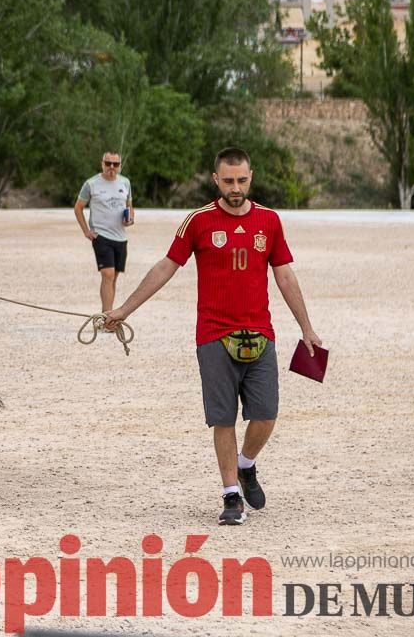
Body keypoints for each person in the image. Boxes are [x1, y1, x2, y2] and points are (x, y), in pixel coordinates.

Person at [104, 147, 323, 526]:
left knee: (266, 415)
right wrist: (124, 309)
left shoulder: (269, 222)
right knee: (223, 419)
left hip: (260, 334)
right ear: (215, 179)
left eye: (241, 180)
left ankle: (246, 465)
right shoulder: (199, 222)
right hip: (213, 335)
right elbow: (165, 267)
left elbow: (285, 275)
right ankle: (230, 496)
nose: (235, 188)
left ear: (250, 178)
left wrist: (307, 328)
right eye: (228, 181)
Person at [74, 151, 134, 314]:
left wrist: (130, 218)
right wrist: (86, 231)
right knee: (107, 274)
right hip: (101, 236)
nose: (111, 167)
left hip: (120, 237)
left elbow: (129, 206)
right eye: (108, 163)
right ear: (102, 164)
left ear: (120, 166)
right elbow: (78, 207)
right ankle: (106, 316)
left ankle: (109, 313)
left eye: (115, 164)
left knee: (113, 277)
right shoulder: (91, 184)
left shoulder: (125, 183)